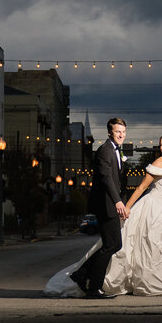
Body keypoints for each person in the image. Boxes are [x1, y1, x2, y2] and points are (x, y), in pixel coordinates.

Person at [45, 132, 162, 298]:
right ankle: (138, 281)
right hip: (153, 208)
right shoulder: (158, 163)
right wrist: (127, 207)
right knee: (152, 244)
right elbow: (141, 188)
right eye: (161, 144)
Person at [66, 117, 128, 299]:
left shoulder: (117, 151)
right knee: (112, 244)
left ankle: (82, 274)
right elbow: (106, 179)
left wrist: (122, 201)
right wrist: (118, 201)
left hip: (112, 203)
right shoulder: (104, 151)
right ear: (110, 132)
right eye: (118, 132)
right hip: (105, 204)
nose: (121, 135)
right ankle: (93, 286)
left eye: (123, 132)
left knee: (113, 244)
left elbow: (118, 181)